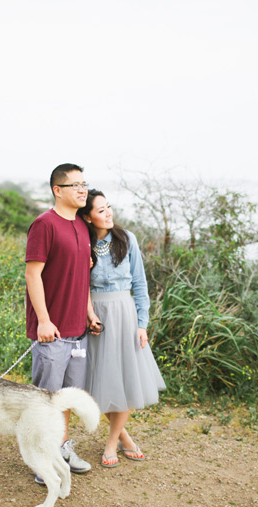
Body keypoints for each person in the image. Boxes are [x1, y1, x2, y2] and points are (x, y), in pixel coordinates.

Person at [25, 163, 102, 482]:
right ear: (58, 190)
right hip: (51, 333)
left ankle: (61, 448)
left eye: (85, 184)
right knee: (46, 399)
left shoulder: (83, 228)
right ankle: (42, 461)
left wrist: (89, 313)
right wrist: (43, 320)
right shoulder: (44, 225)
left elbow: (81, 277)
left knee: (67, 398)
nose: (83, 190)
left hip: (77, 331)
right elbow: (33, 274)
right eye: (76, 185)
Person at [78, 189, 166, 468]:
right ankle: (125, 437)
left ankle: (111, 442)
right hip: (94, 315)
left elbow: (140, 284)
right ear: (87, 217)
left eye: (109, 207)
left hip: (124, 312)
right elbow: (78, 285)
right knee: (97, 382)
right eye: (101, 210)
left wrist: (142, 323)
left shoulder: (127, 239)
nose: (108, 213)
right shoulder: (82, 242)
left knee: (125, 378)